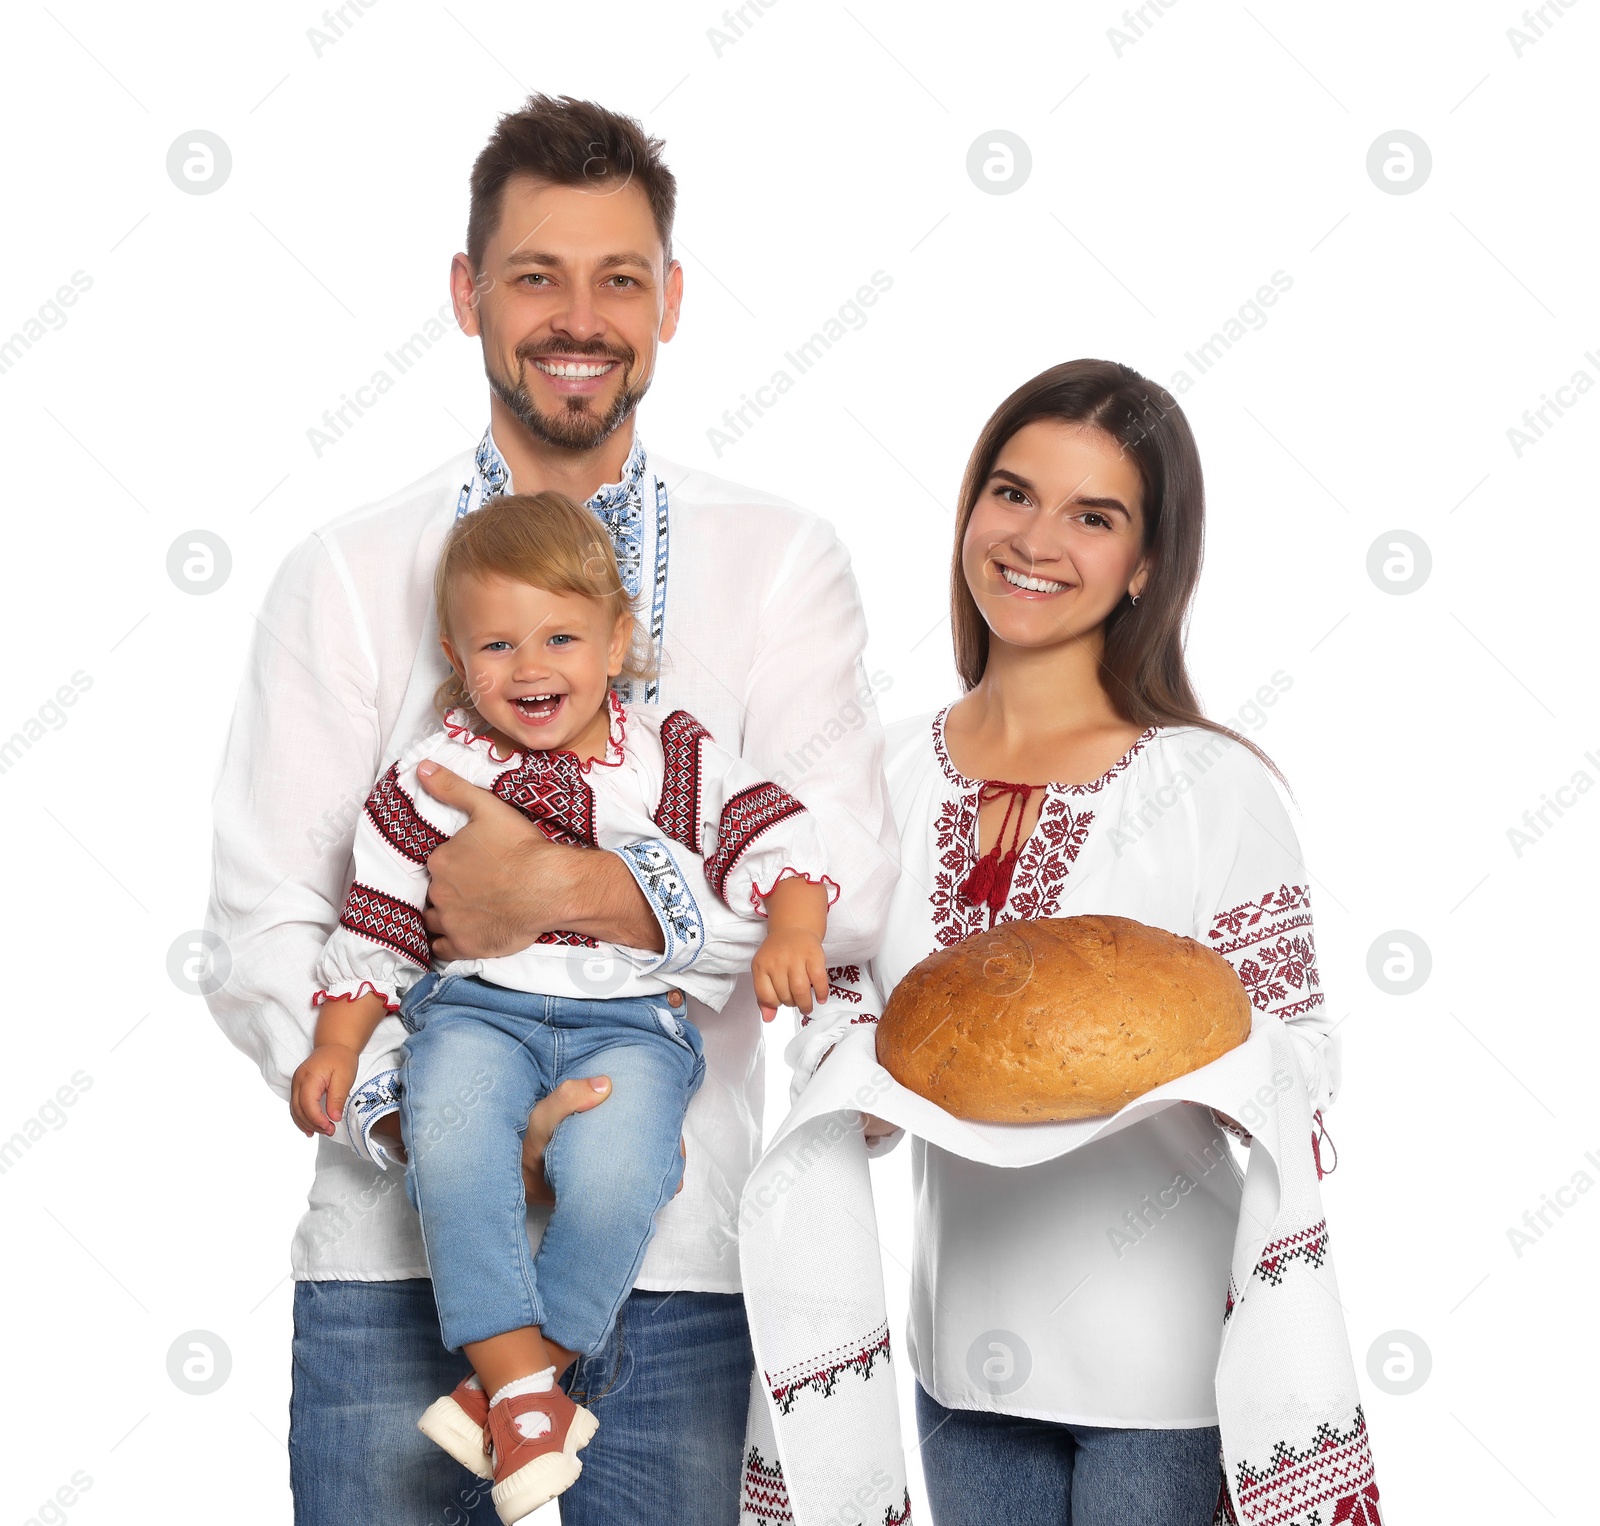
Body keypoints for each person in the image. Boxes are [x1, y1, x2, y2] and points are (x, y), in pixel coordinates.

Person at [205, 95, 896, 1526]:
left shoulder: (778, 561)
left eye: (618, 278)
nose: (578, 317)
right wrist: (441, 1121)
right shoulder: (343, 571)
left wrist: (569, 895)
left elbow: (853, 893)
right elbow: (268, 922)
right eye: (535, 275)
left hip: (674, 1268)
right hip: (386, 1279)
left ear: (671, 302)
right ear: (466, 294)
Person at [814, 359, 1340, 1523]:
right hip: (959, 1352)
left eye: (1092, 515)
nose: (1035, 539)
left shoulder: (1211, 783)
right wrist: (840, 1075)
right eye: (1012, 493)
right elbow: (842, 1014)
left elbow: (1299, 1046)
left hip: (1162, 1366)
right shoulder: (878, 773)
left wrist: (1195, 1069)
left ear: (1145, 563)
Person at [288, 492, 837, 1522]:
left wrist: (798, 927)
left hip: (630, 1022)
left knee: (624, 1170)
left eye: (561, 637)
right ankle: (523, 1390)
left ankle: (512, 1386)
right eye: (495, 643)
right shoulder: (435, 774)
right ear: (453, 649)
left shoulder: (675, 753)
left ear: (619, 639)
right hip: (476, 1014)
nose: (529, 666)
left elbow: (782, 840)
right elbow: (376, 918)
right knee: (452, 1148)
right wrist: (336, 1038)